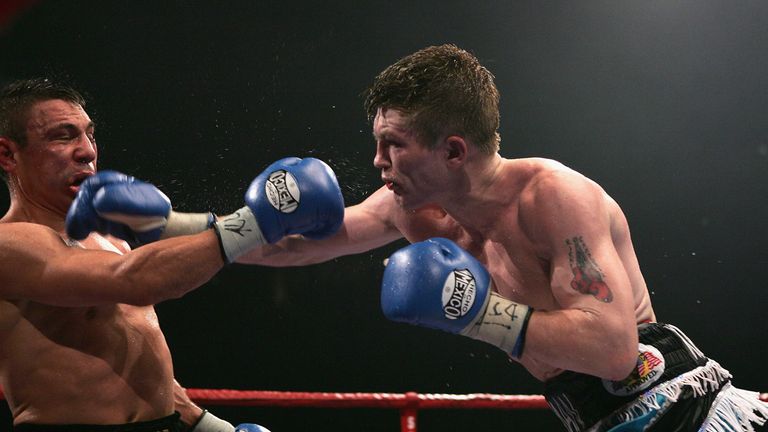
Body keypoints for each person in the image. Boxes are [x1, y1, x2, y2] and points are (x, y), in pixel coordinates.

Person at [69, 46, 768, 430]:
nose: (377, 164)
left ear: (454, 150)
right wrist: (172, 225)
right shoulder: (415, 207)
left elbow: (615, 349)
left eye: (392, 146)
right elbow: (304, 238)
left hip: (686, 410)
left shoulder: (553, 197)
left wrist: (479, 314)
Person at [0, 78, 345, 431]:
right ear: (8, 154)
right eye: (63, 135)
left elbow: (138, 361)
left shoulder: (109, 237)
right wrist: (255, 221)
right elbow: (137, 282)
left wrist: (210, 427)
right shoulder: (8, 243)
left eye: (89, 134)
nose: (87, 150)